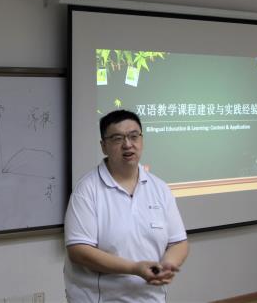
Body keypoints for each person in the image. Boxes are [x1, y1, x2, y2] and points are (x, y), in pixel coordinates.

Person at [64, 110, 189, 302]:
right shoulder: (87, 189)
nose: (128, 144)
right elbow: (79, 251)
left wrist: (166, 266)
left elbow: (179, 242)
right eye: (117, 138)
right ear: (104, 146)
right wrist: (134, 268)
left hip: (151, 297)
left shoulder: (159, 188)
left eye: (134, 136)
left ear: (142, 140)